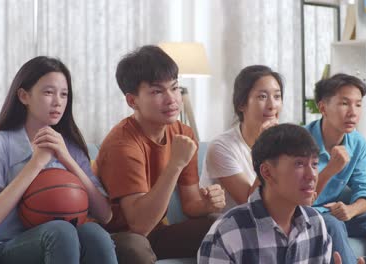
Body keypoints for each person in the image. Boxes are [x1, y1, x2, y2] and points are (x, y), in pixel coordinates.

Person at [0, 56, 117, 264]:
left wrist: (66, 158)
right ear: (24, 96)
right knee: (61, 231)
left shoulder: (71, 146)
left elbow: (105, 215)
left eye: (64, 94)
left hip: (62, 242)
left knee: (94, 232)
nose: (58, 102)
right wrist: (36, 162)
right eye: (49, 92)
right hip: (7, 247)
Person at [95, 45, 226, 263]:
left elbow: (190, 204)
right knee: (136, 247)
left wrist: (208, 204)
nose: (171, 99)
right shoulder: (122, 145)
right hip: (117, 236)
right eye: (157, 91)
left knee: (221, 225)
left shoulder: (183, 133)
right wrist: (175, 164)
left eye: (174, 88)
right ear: (132, 101)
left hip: (156, 233)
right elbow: (139, 225)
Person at [198, 123, 332, 263]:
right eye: (299, 164)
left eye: (315, 164)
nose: (312, 175)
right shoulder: (228, 232)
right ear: (267, 172)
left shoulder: (315, 223)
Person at [305, 73, 366, 264]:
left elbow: (365, 188)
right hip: (307, 216)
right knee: (333, 223)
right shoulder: (300, 141)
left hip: (339, 215)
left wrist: (351, 209)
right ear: (322, 107)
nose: (353, 112)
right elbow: (298, 199)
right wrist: (331, 168)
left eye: (358, 104)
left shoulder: (357, 143)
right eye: (344, 103)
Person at [200, 65, 283, 212]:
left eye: (277, 96)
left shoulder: (286, 142)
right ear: (241, 104)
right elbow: (250, 203)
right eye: (262, 97)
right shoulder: (221, 147)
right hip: (235, 228)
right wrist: (266, 147)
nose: (272, 105)